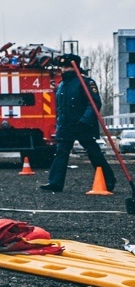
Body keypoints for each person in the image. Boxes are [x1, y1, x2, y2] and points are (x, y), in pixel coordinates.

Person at [42, 56, 116, 193]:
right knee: (61, 153)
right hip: (66, 126)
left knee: (94, 153)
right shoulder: (62, 85)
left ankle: (108, 181)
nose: (64, 70)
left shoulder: (85, 82)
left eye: (67, 67)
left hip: (82, 125)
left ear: (74, 66)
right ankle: (55, 183)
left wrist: (85, 121)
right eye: (62, 67)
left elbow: (94, 104)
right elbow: (61, 108)